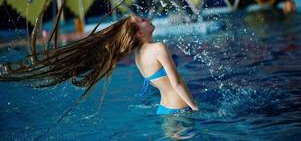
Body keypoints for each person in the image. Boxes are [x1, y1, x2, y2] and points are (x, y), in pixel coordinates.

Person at [0, 14, 198, 115]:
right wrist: (196, 109)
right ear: (139, 33)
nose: (148, 19)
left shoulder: (138, 55)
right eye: (143, 20)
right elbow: (177, 84)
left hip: (163, 110)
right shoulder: (159, 48)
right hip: (180, 108)